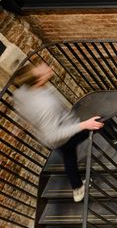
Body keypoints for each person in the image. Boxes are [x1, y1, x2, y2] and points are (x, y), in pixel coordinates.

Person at [13, 63, 104, 202]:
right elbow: (53, 135)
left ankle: (78, 189)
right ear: (38, 81)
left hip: (55, 136)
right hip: (62, 134)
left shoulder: (21, 93)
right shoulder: (45, 105)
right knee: (99, 122)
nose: (46, 67)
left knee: (69, 156)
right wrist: (84, 124)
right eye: (41, 70)